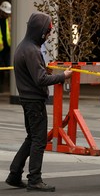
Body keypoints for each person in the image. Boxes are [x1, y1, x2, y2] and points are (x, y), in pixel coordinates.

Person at [5, 12, 73, 192]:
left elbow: (36, 75)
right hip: (34, 101)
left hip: (28, 99)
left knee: (32, 137)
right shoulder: (32, 50)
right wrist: (62, 76)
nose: (48, 35)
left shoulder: (24, 46)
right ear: (39, 31)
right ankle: (34, 179)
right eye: (47, 32)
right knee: (39, 140)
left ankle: (14, 174)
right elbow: (40, 79)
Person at [0, 1, 11, 92]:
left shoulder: (8, 20)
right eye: (6, 13)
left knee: (8, 66)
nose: (7, 15)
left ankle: (4, 86)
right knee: (1, 67)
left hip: (7, 47)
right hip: (0, 49)